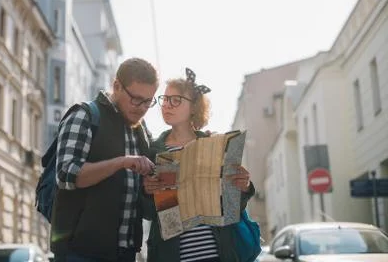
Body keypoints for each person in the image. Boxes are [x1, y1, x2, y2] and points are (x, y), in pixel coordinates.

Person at [51, 58, 159, 262]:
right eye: (136, 99)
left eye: (148, 101)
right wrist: (121, 162)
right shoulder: (84, 115)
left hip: (126, 252)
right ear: (117, 86)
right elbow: (66, 175)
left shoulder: (141, 130)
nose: (142, 108)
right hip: (79, 253)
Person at [143, 68, 255, 262]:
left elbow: (231, 207)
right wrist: (147, 191)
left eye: (175, 100)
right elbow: (146, 212)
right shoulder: (153, 151)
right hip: (173, 256)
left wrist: (243, 186)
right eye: (164, 99)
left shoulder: (215, 146)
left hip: (219, 254)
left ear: (193, 107)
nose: (166, 105)